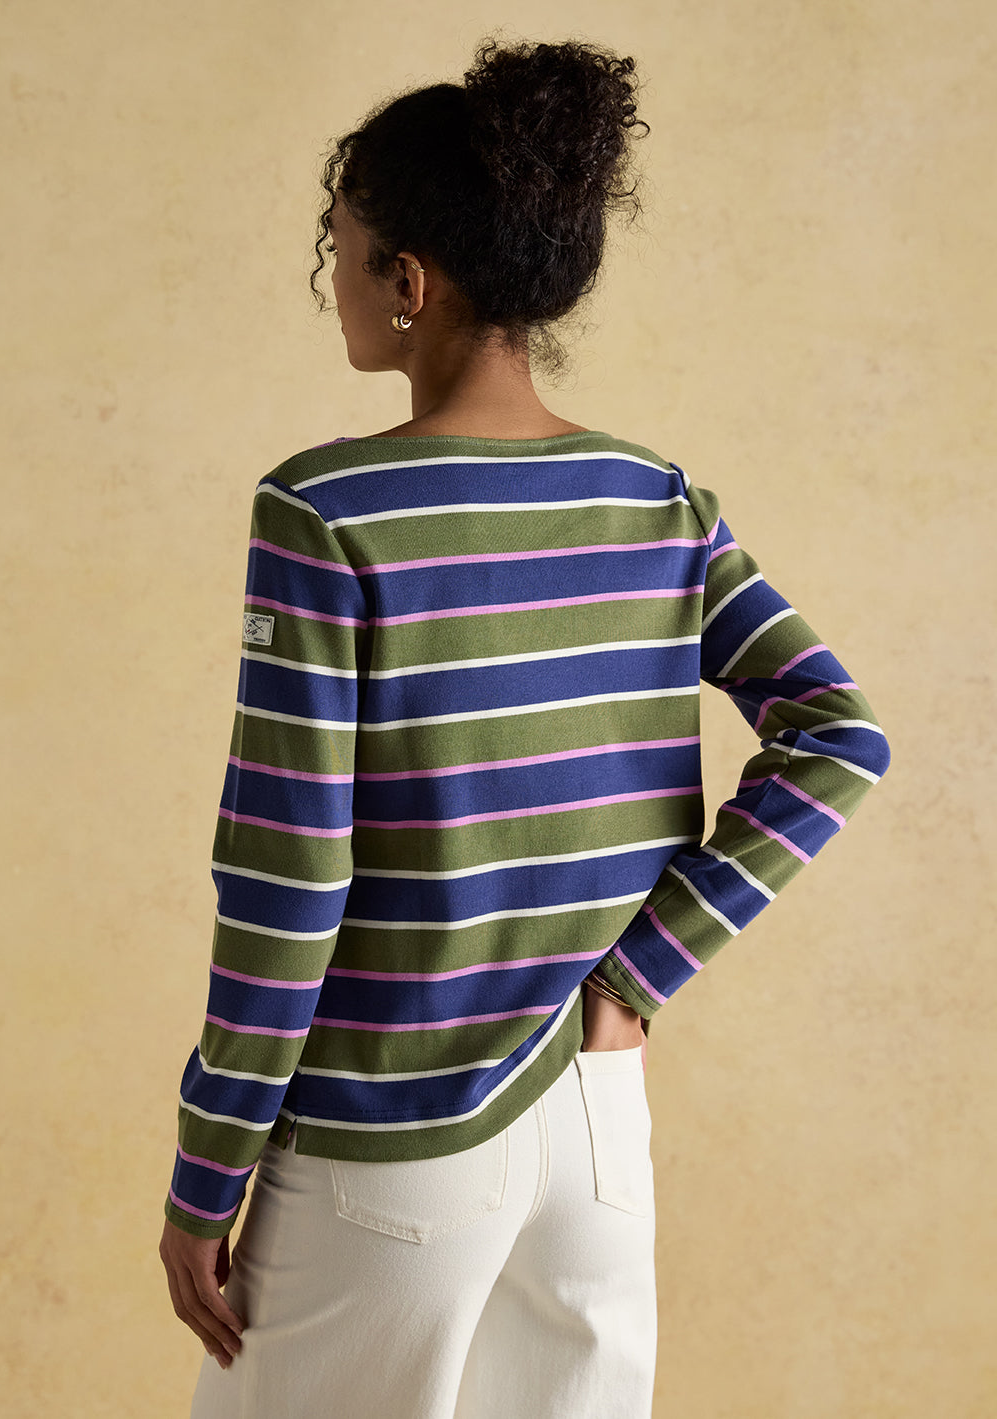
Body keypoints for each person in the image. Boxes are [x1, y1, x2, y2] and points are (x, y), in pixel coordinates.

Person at [159, 35, 890, 1419]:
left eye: (339, 249)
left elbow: (289, 876)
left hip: (392, 1135)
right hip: (596, 1126)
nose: (332, 280)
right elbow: (837, 732)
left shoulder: (325, 513)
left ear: (409, 281)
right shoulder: (656, 500)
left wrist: (209, 1169)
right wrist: (637, 977)